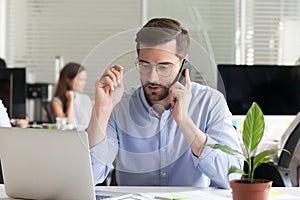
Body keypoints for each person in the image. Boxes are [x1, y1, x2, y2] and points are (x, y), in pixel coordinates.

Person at [87, 18, 243, 189]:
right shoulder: (120, 106)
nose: (152, 77)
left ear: (183, 62)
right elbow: (91, 177)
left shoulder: (210, 102)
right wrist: (101, 111)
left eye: (164, 67)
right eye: (144, 65)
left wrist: (185, 122)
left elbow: (233, 177)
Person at [51, 62, 92, 131]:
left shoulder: (86, 99)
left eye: (85, 80)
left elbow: (91, 123)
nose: (84, 83)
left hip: (86, 136)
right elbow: (67, 124)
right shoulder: (56, 101)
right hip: (70, 137)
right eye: (80, 80)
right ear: (68, 80)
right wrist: (70, 100)